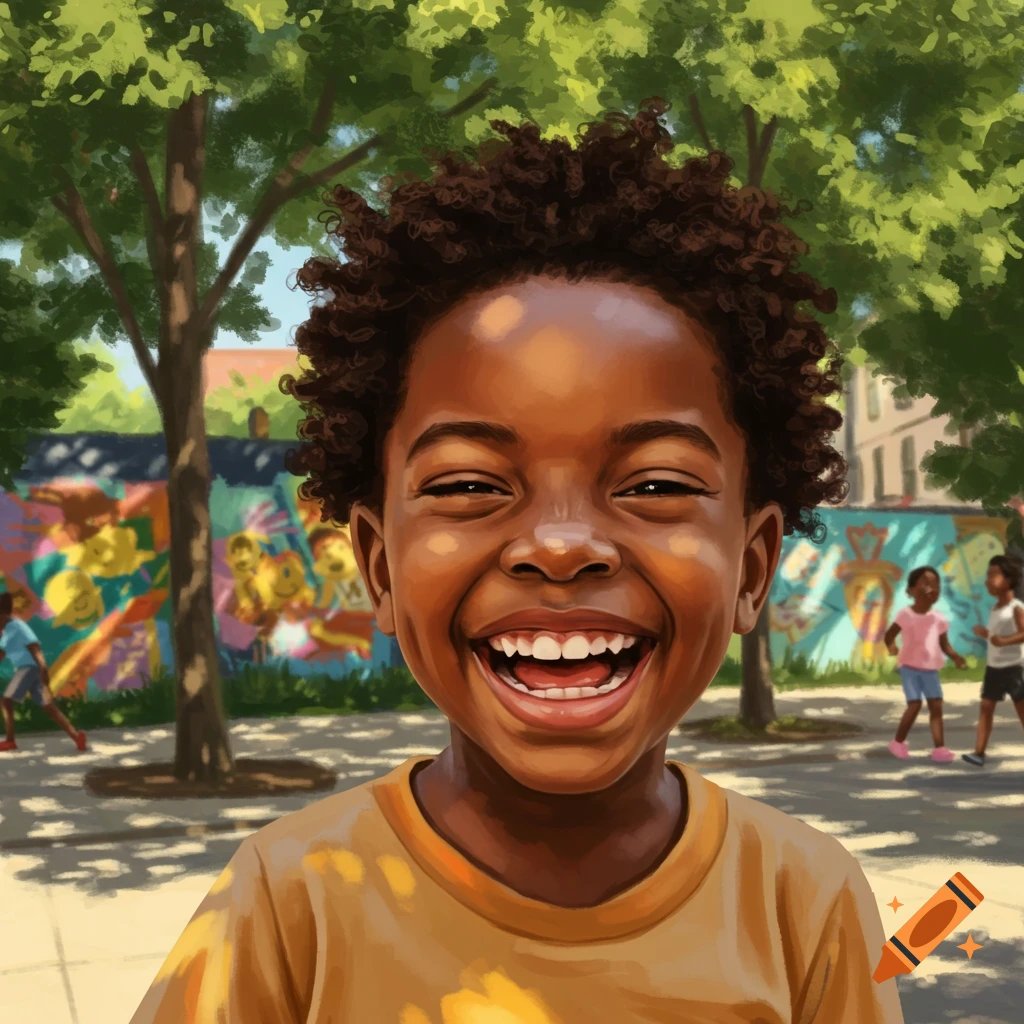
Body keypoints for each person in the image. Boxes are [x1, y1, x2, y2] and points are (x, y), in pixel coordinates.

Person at [131, 103, 903, 1023]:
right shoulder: (288, 903)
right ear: (378, 566)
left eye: (656, 485)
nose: (562, 544)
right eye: (467, 485)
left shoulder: (805, 906)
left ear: (751, 565)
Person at [884, 566, 965, 762]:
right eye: (926, 583)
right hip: (909, 668)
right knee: (914, 704)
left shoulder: (938, 618)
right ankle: (898, 742)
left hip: (930, 670)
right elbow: (889, 635)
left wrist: (955, 657)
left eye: (936, 585)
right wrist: (892, 647)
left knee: (936, 706)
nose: (932, 588)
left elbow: (944, 645)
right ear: (911, 590)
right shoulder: (906, 615)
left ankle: (939, 748)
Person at [0, 591, 87, 752]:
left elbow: (33, 647)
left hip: (29, 668)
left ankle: (10, 740)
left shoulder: (15, 626)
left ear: (3, 613)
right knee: (48, 707)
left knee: (6, 700)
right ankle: (77, 738)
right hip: (30, 669)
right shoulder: (9, 628)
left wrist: (43, 668)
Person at [962, 554, 1024, 766]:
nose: (988, 580)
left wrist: (1005, 641)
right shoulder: (995, 608)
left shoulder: (1016, 607)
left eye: (993, 575)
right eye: (987, 575)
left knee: (1022, 711)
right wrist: (985, 634)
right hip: (994, 668)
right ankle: (979, 753)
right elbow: (996, 635)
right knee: (986, 708)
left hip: (1014, 668)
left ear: (1009, 579)